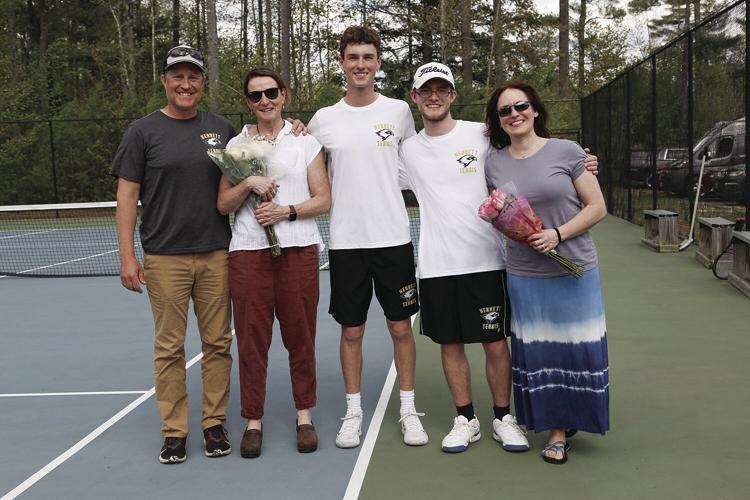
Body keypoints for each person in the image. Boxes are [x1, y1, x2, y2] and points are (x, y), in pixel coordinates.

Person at [399, 62, 530, 453]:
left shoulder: (482, 134)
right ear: (415, 97)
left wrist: (578, 161)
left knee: (495, 344)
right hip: (436, 266)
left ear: (453, 95)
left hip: (486, 262)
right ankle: (465, 419)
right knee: (450, 344)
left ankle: (503, 418)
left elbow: (525, 150)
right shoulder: (407, 150)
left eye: (441, 89)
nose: (434, 96)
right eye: (426, 90)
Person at [307, 26, 428, 448]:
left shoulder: (399, 111)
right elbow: (299, 163)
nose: (360, 64)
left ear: (378, 62)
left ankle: (409, 409)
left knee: (400, 327)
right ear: (342, 62)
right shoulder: (323, 119)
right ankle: (353, 411)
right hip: (346, 243)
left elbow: (423, 158)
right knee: (352, 332)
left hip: (393, 239)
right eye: (353, 57)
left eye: (368, 57)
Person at [112, 45, 234, 464]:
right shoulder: (141, 132)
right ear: (165, 81)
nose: (185, 84)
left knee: (218, 343)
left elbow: (253, 160)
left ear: (202, 83)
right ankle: (174, 431)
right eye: (177, 76)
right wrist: (128, 256)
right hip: (164, 258)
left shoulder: (221, 129)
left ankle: (214, 424)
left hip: (217, 254)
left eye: (193, 76)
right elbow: (126, 197)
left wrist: (295, 126)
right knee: (169, 348)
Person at [484, 81, 610, 465]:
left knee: (576, 348)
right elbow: (496, 208)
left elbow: (597, 206)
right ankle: (555, 426)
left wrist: (558, 234)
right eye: (505, 110)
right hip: (525, 275)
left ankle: (570, 421)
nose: (514, 114)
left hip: (574, 269)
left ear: (535, 109)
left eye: (521, 106)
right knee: (541, 352)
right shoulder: (493, 162)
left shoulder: (567, 151)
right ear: (498, 121)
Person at [217, 68, 331, 458]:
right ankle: (253, 421)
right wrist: (248, 183)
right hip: (248, 253)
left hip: (298, 251)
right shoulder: (237, 145)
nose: (264, 100)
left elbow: (324, 199)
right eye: (255, 95)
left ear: (283, 95)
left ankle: (304, 416)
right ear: (248, 102)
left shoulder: (305, 141)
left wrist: (285, 211)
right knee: (252, 342)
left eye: (270, 92)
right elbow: (224, 204)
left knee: (301, 337)